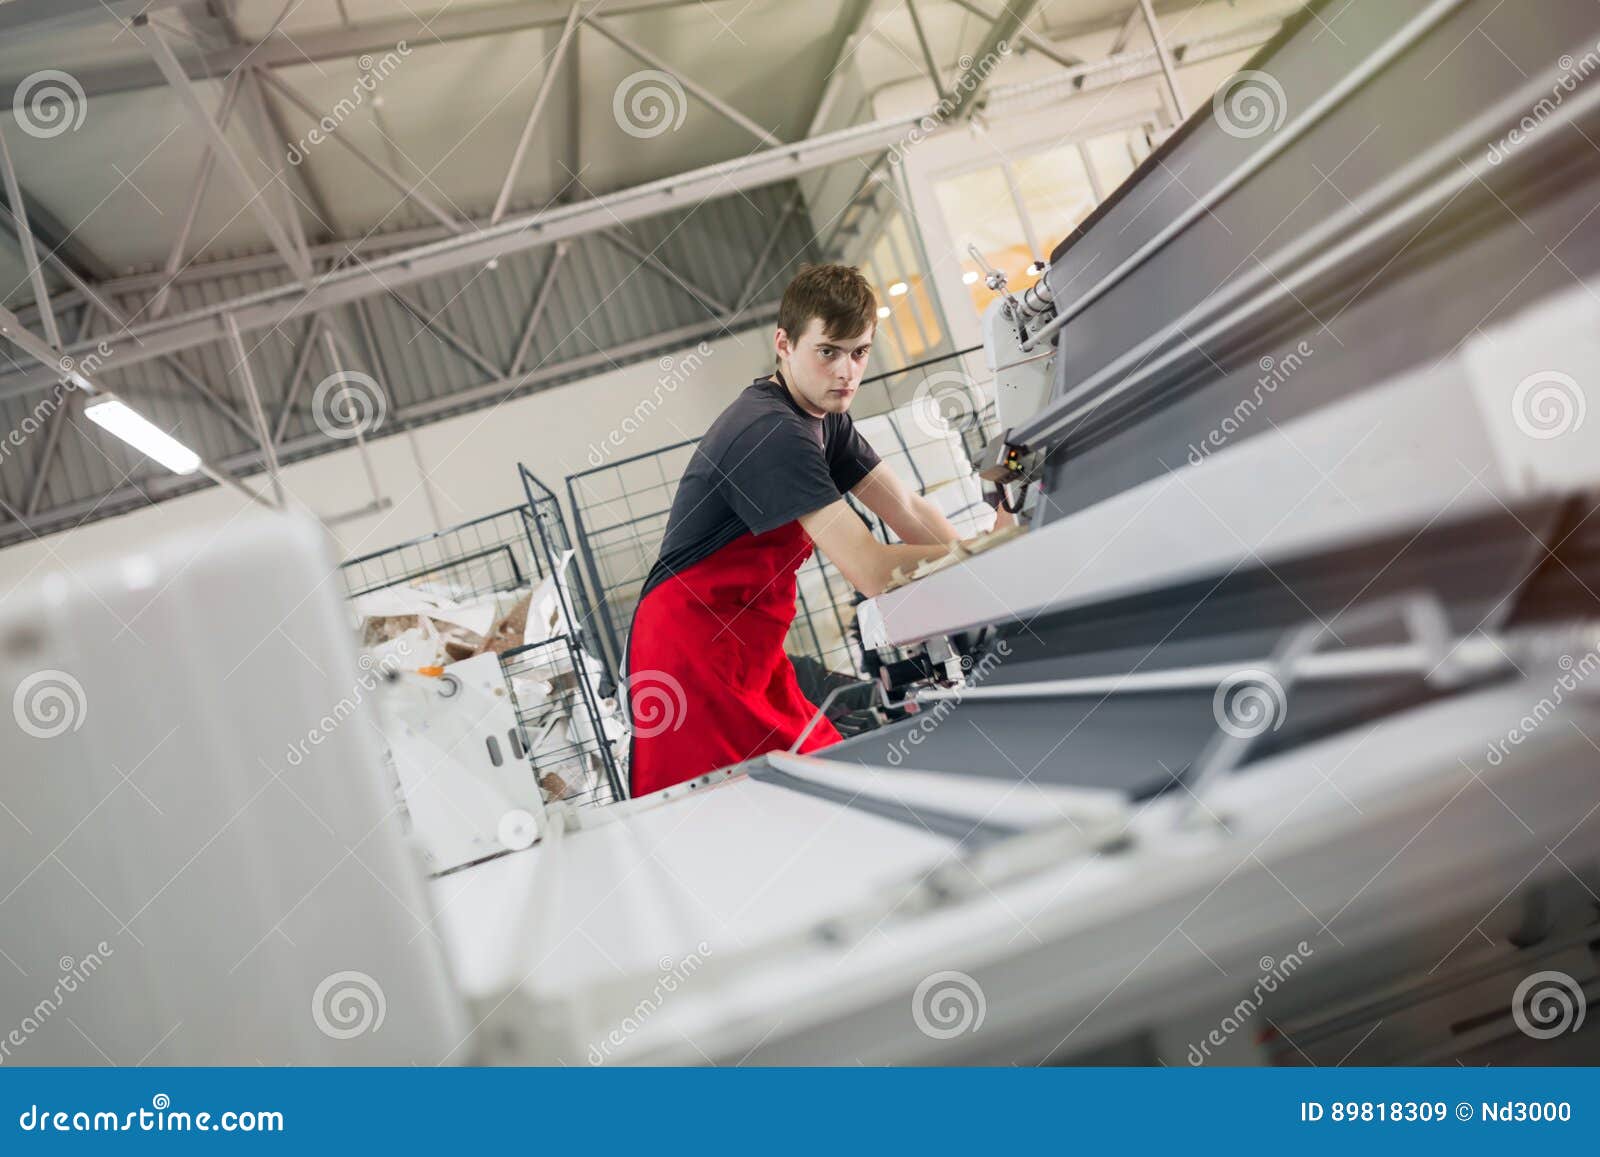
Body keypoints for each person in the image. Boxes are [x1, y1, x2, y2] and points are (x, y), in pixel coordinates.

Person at [625, 263, 1003, 796]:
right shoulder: (771, 432)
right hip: (693, 657)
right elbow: (871, 571)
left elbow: (909, 510)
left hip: (749, 645)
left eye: (859, 352)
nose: (846, 371)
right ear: (784, 343)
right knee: (747, 810)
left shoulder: (825, 419)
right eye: (828, 351)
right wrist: (993, 553)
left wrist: (988, 554)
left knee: (818, 775)